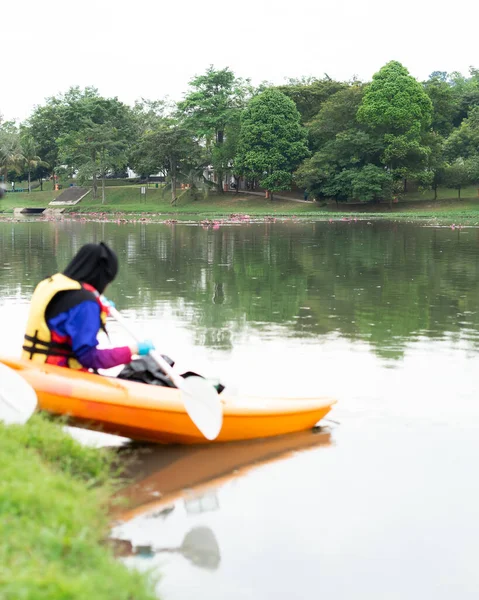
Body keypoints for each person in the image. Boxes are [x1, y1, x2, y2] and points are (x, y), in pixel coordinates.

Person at [22, 242, 154, 371]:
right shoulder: (85, 303)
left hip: (33, 367)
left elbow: (63, 318)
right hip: (57, 376)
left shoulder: (49, 284)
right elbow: (89, 358)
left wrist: (101, 311)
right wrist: (133, 349)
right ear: (100, 276)